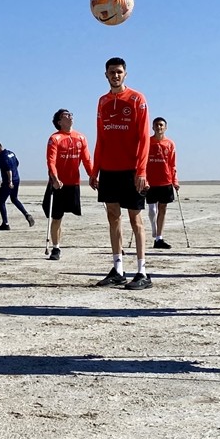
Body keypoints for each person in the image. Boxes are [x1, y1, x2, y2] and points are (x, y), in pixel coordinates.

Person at [89, 57, 151, 290]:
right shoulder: (103, 101)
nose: (115, 75)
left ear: (125, 74)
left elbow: (144, 138)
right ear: (105, 75)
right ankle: (118, 269)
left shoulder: (137, 99)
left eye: (119, 72)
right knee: (113, 216)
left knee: (136, 218)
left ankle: (142, 272)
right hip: (109, 169)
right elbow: (101, 137)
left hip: (131, 169)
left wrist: (142, 170)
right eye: (112, 72)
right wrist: (95, 170)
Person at [42, 109, 94, 261]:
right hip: (59, 184)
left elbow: (86, 160)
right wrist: (55, 178)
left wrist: (92, 176)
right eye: (66, 115)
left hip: (74, 183)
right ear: (59, 122)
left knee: (69, 214)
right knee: (57, 217)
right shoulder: (55, 138)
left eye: (71, 114)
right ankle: (56, 248)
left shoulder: (81, 137)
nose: (70, 116)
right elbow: (50, 160)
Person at [146, 117, 179, 250]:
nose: (159, 127)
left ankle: (159, 238)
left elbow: (172, 164)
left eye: (161, 125)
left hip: (165, 180)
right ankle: (154, 228)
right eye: (156, 125)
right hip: (150, 181)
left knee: (163, 208)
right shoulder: (147, 142)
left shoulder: (170, 144)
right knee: (152, 209)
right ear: (153, 127)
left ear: (165, 127)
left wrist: (174, 181)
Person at [0, 141, 33, 230]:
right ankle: (27, 214)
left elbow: (8, 169)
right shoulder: (11, 153)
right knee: (14, 198)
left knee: (1, 201)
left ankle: (5, 224)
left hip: (8, 182)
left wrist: (9, 181)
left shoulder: (3, 157)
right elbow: (17, 163)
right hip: (17, 179)